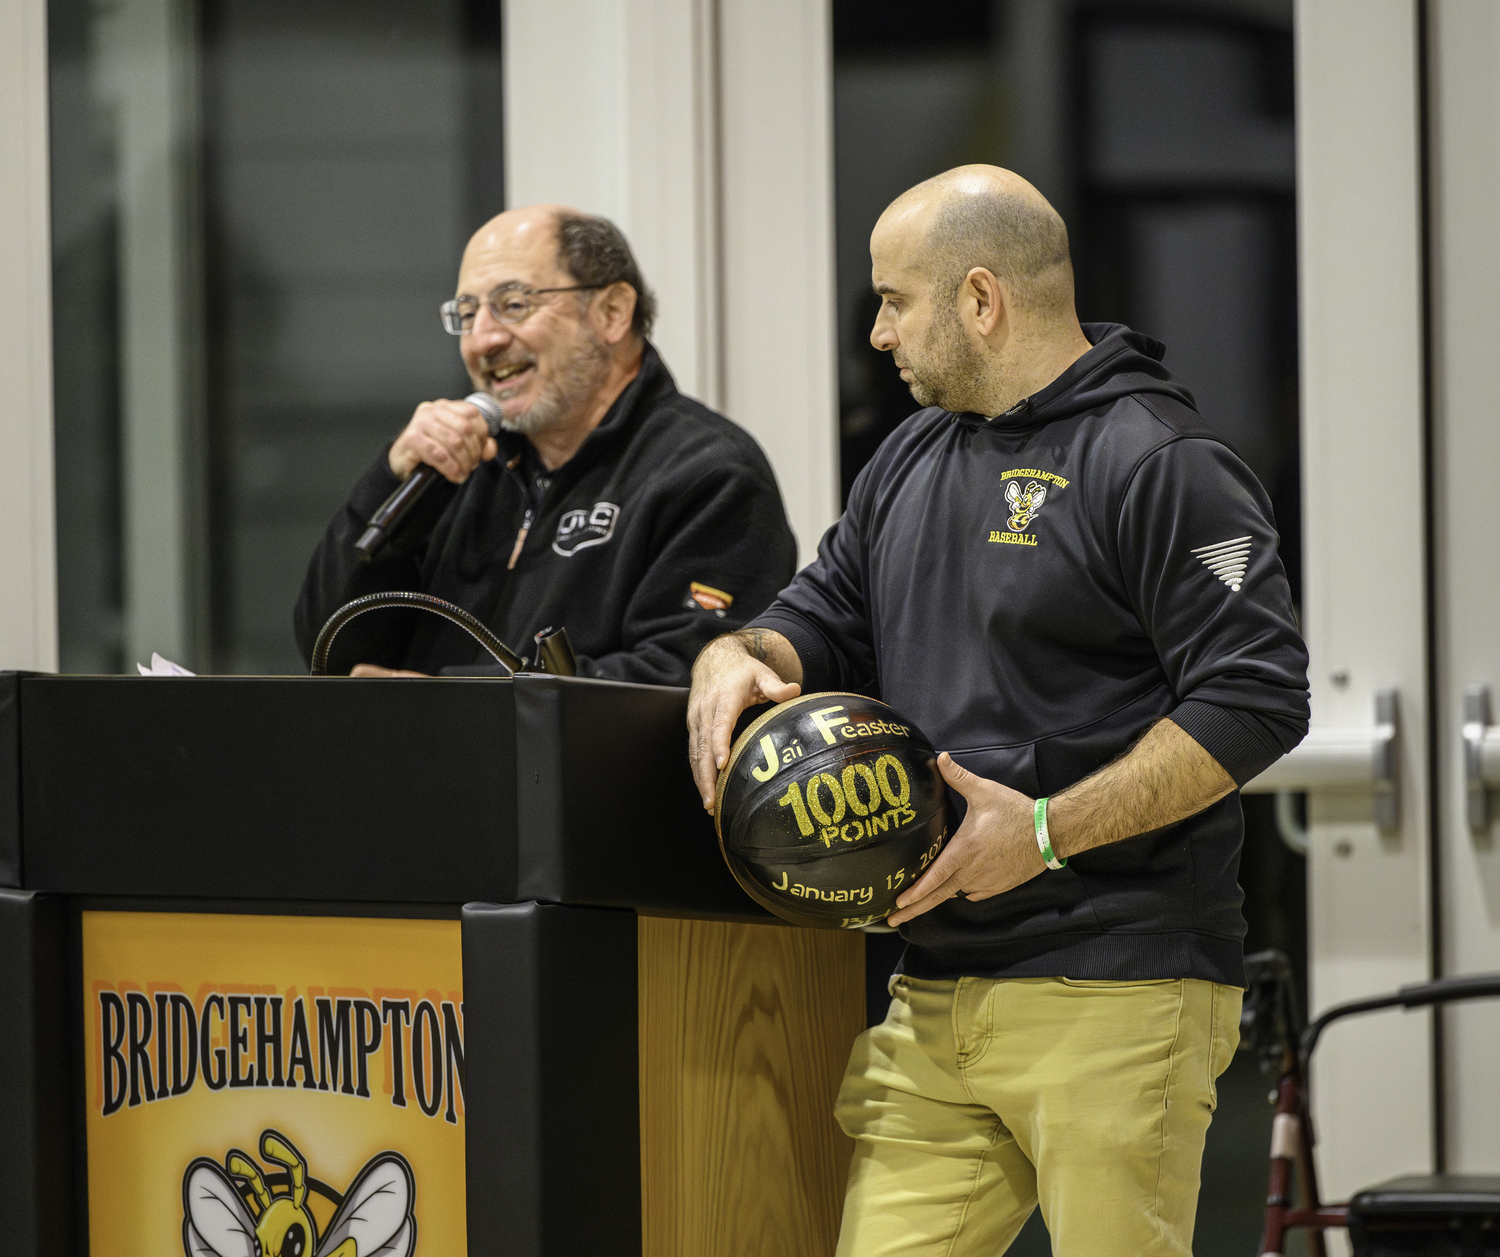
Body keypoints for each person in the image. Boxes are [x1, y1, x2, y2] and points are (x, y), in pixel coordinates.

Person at [687, 166, 1309, 1256]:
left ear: (982, 299)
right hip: (936, 994)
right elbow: (820, 611)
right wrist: (742, 654)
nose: (878, 335)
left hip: (1121, 986)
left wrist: (1038, 832)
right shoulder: (912, 455)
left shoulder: (1163, 463)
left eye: (895, 301)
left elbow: (1256, 696)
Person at [295, 205, 797, 683]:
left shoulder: (710, 474)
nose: (482, 340)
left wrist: (445, 702)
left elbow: (681, 679)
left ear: (612, 312)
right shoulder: (459, 465)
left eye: (513, 305)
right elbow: (329, 649)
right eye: (467, 314)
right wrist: (389, 480)